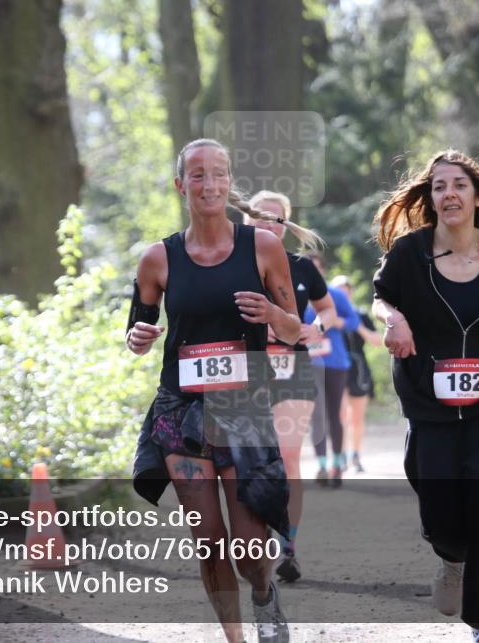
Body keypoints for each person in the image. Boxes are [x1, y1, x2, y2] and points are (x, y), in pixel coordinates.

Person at [127, 138, 320, 643]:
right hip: (180, 412)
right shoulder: (157, 259)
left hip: (244, 407)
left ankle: (263, 592)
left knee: (248, 551)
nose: (208, 184)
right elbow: (138, 330)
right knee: (209, 543)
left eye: (218, 174)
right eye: (197, 174)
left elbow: (295, 330)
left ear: (230, 182)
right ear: (180, 185)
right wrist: (138, 337)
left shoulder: (262, 246)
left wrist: (274, 316)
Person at [371, 150, 479, 643]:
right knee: (441, 517)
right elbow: (381, 295)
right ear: (430, 197)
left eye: (459, 185)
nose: (449, 194)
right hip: (428, 396)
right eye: (439, 186)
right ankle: (450, 558)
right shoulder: (410, 252)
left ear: (477, 196)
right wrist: (394, 319)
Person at [243, 191, 336, 584]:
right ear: (247, 222)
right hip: (245, 369)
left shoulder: (301, 267)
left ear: (286, 226)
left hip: (292, 366)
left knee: (288, 457)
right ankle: (253, 539)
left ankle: (289, 546)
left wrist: (319, 327)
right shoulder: (230, 265)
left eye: (278, 219)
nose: (269, 224)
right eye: (262, 218)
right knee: (248, 459)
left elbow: (328, 309)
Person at [305, 254, 361, 488]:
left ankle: (337, 464)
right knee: (315, 415)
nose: (312, 274)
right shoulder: (295, 294)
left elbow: (354, 321)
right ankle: (321, 464)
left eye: (317, 269)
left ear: (323, 271)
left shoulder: (335, 295)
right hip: (308, 361)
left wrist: (336, 322)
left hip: (335, 361)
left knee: (334, 414)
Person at [330, 275, 383, 474]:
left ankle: (356, 455)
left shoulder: (359, 314)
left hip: (359, 370)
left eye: (345, 290)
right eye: (338, 291)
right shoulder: (327, 316)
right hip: (336, 369)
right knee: (340, 414)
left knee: (356, 418)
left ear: (350, 293)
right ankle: (340, 455)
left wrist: (355, 324)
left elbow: (378, 341)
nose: (342, 294)